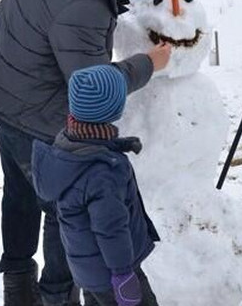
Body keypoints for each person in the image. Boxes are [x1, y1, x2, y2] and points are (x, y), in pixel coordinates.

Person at [0, 0, 171, 306]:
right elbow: (88, 86)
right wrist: (149, 64)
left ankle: (18, 287)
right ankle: (56, 296)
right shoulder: (84, 6)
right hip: (33, 110)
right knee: (65, 203)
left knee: (21, 192)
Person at [32, 64, 160, 306]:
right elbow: (111, 228)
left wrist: (116, 145)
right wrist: (122, 275)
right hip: (112, 273)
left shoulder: (69, 145)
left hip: (87, 269)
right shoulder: (103, 175)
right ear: (113, 109)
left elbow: (90, 151)